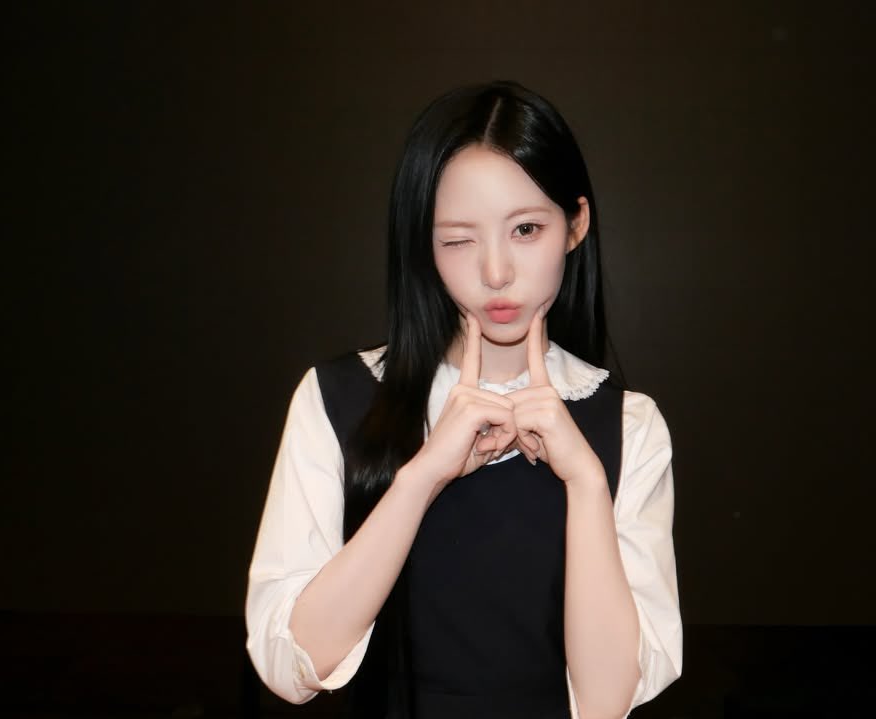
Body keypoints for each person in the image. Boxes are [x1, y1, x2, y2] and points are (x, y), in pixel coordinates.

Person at [245, 80, 682, 719]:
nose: (496, 272)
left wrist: (587, 481)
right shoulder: (336, 399)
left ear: (576, 225)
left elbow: (605, 702)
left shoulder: (629, 426)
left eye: (526, 229)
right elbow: (291, 667)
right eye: (458, 239)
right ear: (423, 244)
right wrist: (421, 477)